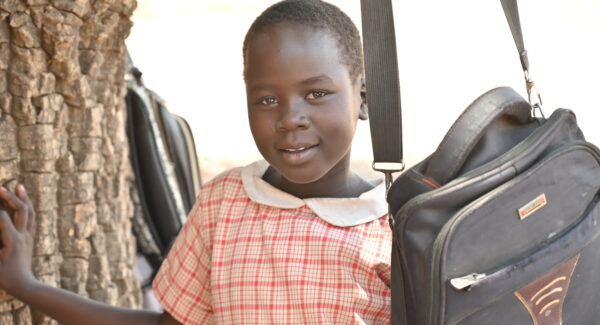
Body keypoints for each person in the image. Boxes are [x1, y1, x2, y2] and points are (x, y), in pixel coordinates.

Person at [0, 0, 392, 323]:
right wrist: (27, 286)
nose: (290, 118)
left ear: (363, 98)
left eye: (316, 93)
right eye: (267, 100)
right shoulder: (225, 204)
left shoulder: (394, 229)